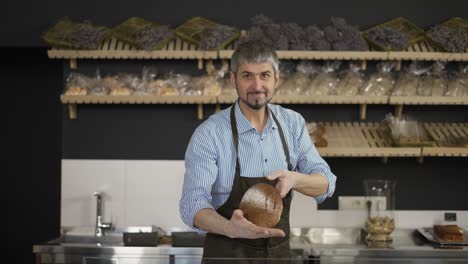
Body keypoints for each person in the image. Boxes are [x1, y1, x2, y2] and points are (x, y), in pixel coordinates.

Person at [179, 40, 337, 262]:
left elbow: (327, 183)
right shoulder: (210, 134)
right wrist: (230, 228)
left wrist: (295, 180)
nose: (257, 85)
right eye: (247, 76)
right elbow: (191, 204)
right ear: (233, 79)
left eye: (264, 75)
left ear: (276, 78)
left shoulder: (292, 124)